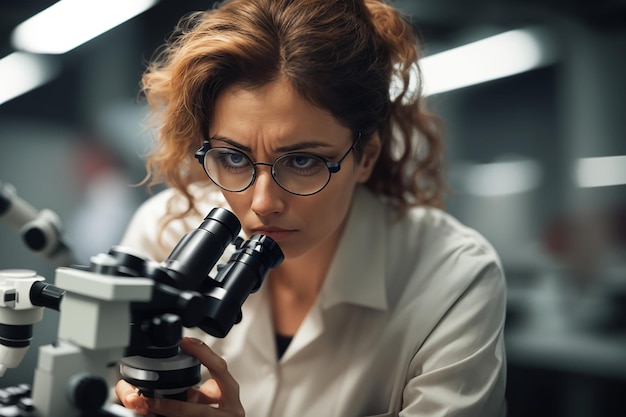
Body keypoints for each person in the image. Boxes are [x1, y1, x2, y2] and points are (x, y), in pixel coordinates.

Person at [115, 0, 507, 416]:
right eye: (233, 158)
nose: (264, 203)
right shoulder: (164, 230)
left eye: (303, 161)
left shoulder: (453, 276)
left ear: (367, 156)